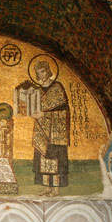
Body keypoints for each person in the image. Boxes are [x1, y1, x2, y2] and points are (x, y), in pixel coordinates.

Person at [31, 59, 70, 188]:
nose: (42, 74)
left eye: (43, 71)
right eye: (39, 72)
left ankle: (56, 190)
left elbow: (63, 110)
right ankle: (48, 188)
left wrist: (45, 114)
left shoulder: (57, 87)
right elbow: (35, 108)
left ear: (48, 71)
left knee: (55, 161)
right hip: (42, 130)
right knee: (44, 160)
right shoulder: (37, 90)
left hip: (56, 132)